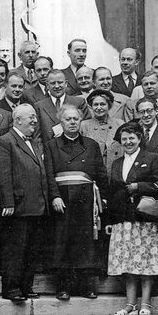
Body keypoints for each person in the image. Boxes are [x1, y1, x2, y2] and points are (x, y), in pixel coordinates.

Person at [44, 104, 108, 300]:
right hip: (62, 199)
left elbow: (101, 173)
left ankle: (85, 286)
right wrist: (54, 196)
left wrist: (102, 198)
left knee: (85, 242)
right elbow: (48, 174)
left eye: (76, 119)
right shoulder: (51, 145)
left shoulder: (91, 144)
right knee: (63, 242)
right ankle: (63, 286)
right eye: (68, 119)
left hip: (86, 200)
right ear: (61, 122)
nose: (72, 122)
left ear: (80, 122)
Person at [107, 123, 158, 315]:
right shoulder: (117, 163)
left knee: (146, 262)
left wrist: (139, 186)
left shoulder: (151, 158)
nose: (128, 142)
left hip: (145, 219)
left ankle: (146, 303)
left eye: (131, 138)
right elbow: (113, 192)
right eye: (124, 139)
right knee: (128, 262)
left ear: (139, 138)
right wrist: (111, 220)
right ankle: (130, 303)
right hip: (124, 220)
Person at [0, 104, 48, 301]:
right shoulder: (4, 142)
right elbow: (2, 173)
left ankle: (26, 286)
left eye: (35, 117)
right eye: (30, 117)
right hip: (18, 206)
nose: (34, 120)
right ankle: (12, 288)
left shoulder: (35, 143)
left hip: (37, 206)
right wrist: (8, 202)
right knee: (15, 250)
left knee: (31, 250)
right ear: (17, 120)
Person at [34, 69, 90, 143]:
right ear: (47, 85)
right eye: (53, 83)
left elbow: (87, 128)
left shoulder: (79, 102)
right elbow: (37, 137)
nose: (57, 86)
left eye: (60, 82)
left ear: (66, 83)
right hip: (49, 151)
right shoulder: (39, 106)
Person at [80, 89, 124, 174]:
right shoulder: (84, 126)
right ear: (91, 107)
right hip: (93, 172)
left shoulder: (119, 124)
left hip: (115, 171)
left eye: (103, 104)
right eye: (95, 105)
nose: (99, 108)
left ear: (109, 106)